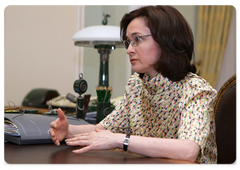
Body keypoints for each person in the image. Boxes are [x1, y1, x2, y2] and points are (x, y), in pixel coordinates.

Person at [49, 4, 217, 165]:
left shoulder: (196, 89)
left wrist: (121, 140)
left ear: (167, 40)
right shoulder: (137, 84)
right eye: (128, 41)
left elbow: (188, 151)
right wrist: (69, 130)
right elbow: (103, 130)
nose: (129, 49)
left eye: (137, 39)